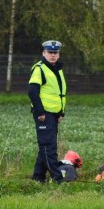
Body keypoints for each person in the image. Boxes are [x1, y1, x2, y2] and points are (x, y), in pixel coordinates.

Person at [28, 40, 67, 183]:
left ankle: (37, 178)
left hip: (54, 114)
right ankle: (58, 179)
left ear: (58, 54)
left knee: (45, 147)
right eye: (50, 52)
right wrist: (40, 113)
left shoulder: (57, 69)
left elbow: (59, 93)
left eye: (55, 53)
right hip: (43, 114)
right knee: (48, 148)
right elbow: (32, 92)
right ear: (44, 53)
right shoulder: (39, 69)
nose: (52, 55)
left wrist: (60, 113)